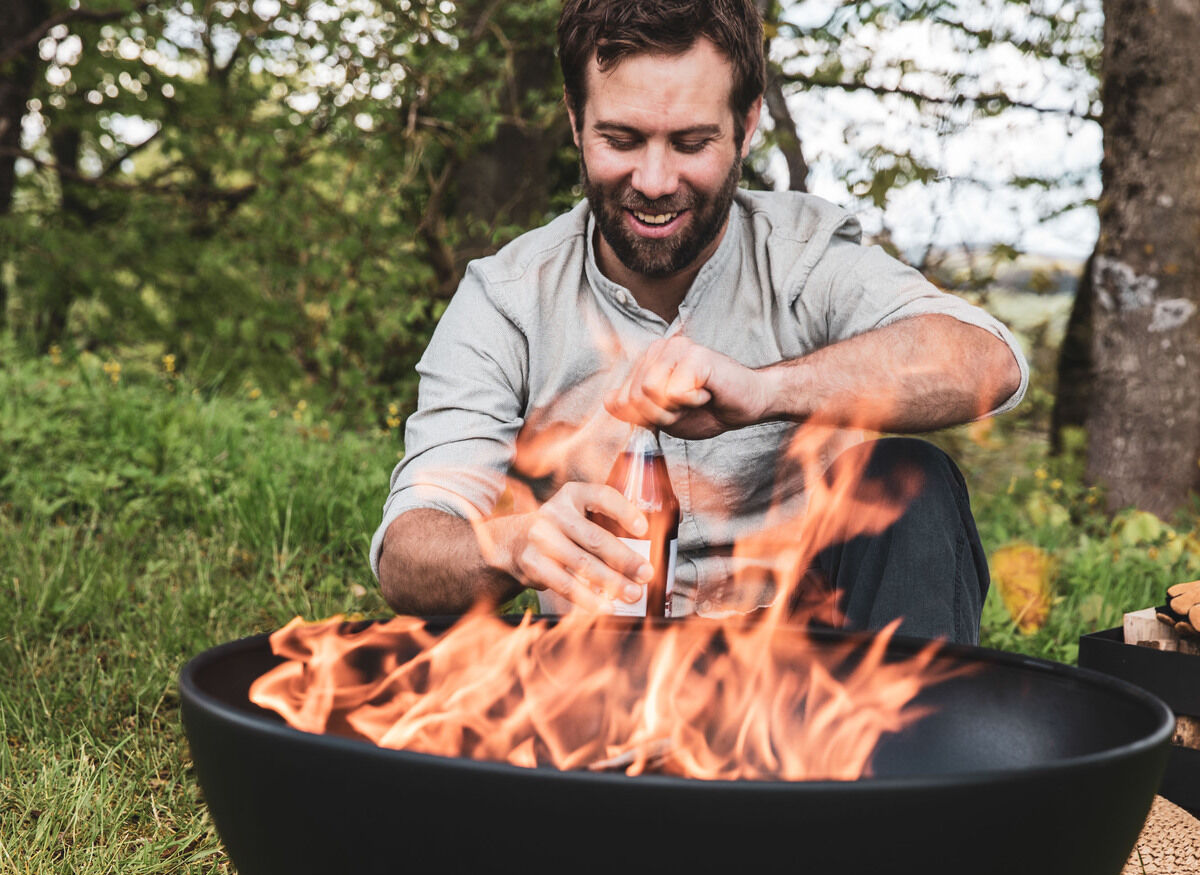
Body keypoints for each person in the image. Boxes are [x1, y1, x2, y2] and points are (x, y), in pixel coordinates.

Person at [371, 0, 1027, 643]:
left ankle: (922, 750)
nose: (654, 181)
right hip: (599, 683)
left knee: (913, 479)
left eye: (690, 142)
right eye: (620, 139)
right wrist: (512, 544)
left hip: (812, 689)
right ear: (576, 121)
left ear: (746, 126)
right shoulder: (508, 299)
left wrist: (767, 391)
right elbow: (409, 552)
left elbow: (984, 361)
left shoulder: (803, 258)